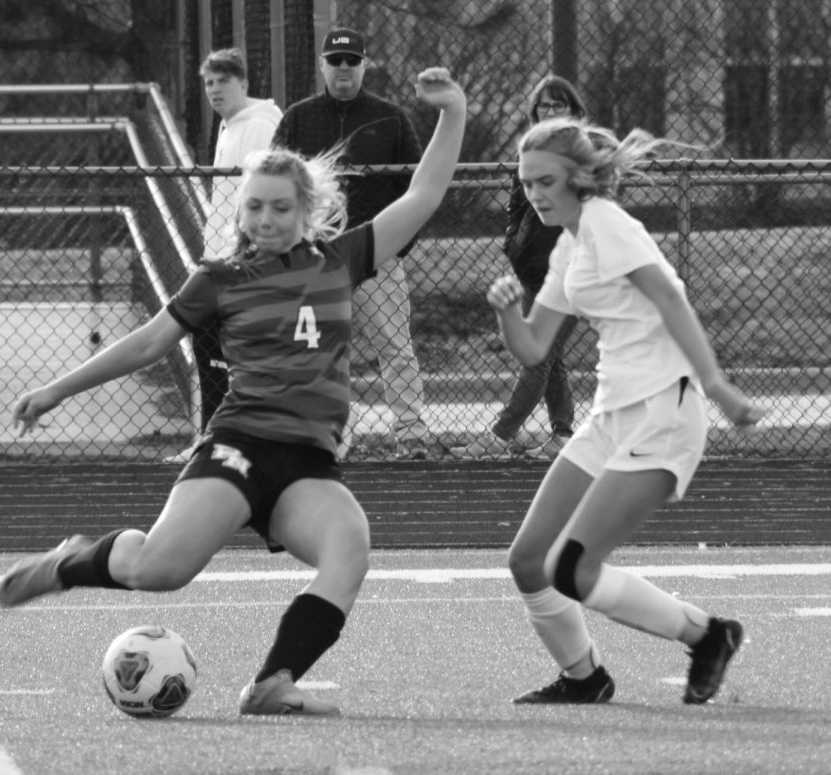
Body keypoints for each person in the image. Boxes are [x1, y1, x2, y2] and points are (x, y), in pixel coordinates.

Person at [0, 67, 467, 717]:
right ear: (240, 210)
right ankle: (72, 562)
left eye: (280, 207)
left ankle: (273, 681)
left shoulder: (344, 258)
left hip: (308, 461)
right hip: (240, 445)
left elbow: (427, 191)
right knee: (159, 569)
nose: (265, 218)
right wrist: (55, 389)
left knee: (349, 545)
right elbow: (146, 343)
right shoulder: (219, 278)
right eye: (254, 206)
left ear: (308, 212)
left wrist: (453, 112)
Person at [488, 116, 765, 705]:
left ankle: (708, 635)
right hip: (612, 414)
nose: (533, 192)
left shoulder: (609, 225)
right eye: (525, 182)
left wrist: (716, 385)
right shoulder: (569, 243)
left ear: (580, 181)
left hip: (663, 411)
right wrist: (509, 312)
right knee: (529, 560)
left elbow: (671, 297)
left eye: (545, 180)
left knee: (573, 569)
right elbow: (535, 346)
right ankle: (584, 678)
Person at [271, 27, 430, 460]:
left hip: (377, 252)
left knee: (395, 346)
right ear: (322, 65)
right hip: (317, 256)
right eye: (335, 61)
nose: (343, 69)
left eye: (352, 61)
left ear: (363, 66)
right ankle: (331, 433)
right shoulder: (298, 118)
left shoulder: (390, 117)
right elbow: (275, 182)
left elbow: (417, 187)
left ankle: (411, 432)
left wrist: (400, 245)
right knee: (318, 350)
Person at [454, 75, 585, 461]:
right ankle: (562, 433)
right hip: (533, 273)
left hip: (571, 273)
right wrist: (514, 243)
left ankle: (500, 436)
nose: (550, 112)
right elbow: (516, 206)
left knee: (537, 355)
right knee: (550, 356)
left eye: (558, 105)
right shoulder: (528, 152)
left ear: (574, 111)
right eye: (544, 105)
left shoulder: (582, 155)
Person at [166, 48, 283, 464]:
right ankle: (211, 437)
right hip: (221, 260)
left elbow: (261, 198)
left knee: (232, 352)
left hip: (243, 264)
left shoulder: (259, 126)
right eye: (209, 83)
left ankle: (224, 439)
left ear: (244, 84)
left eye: (223, 81)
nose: (214, 90)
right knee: (209, 347)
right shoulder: (230, 126)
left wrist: (241, 255)